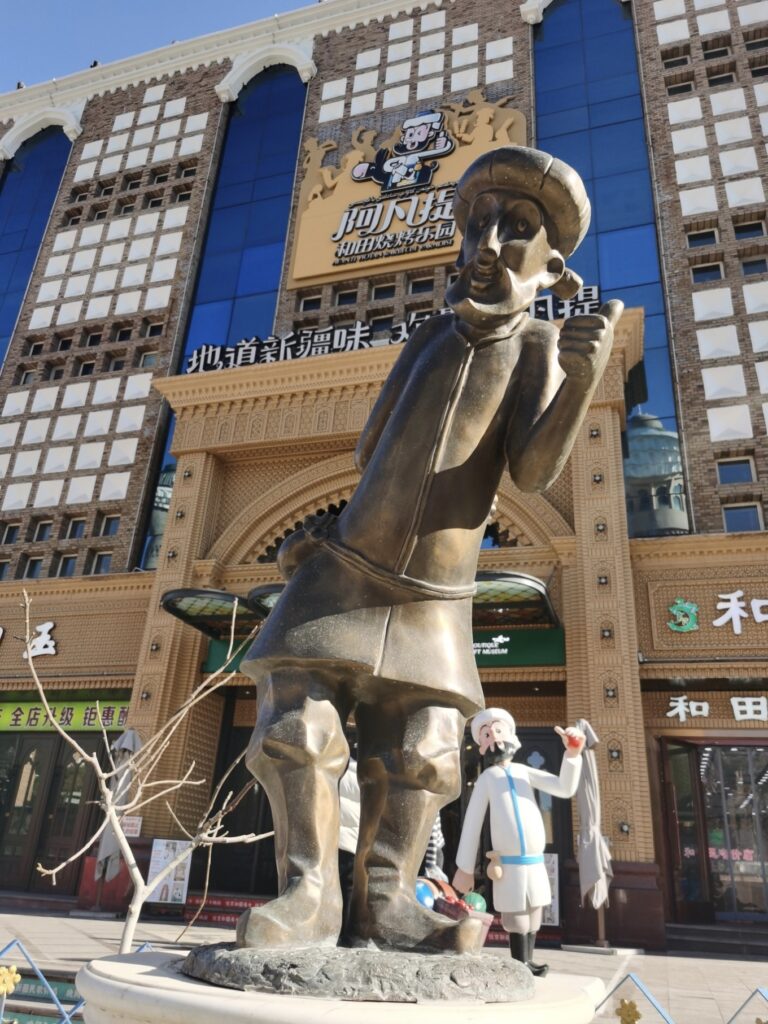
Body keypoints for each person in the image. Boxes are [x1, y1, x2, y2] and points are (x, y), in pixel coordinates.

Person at [236, 144, 620, 954]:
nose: (486, 246)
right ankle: (309, 892)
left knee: (425, 750)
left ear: (551, 270)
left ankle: (388, 900)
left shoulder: (538, 349)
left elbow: (532, 466)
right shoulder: (427, 337)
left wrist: (582, 381)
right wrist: (323, 532)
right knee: (296, 723)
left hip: (433, 597)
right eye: (477, 225)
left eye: (515, 230)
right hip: (341, 573)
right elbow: (374, 449)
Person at [452, 708, 585, 976]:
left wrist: (572, 756)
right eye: (487, 735)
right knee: (516, 917)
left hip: (535, 861)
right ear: (481, 747)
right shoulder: (486, 779)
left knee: (534, 910)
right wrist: (465, 867)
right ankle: (519, 962)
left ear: (513, 736)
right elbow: (472, 823)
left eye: (499, 731)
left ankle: (528, 960)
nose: (496, 739)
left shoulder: (525, 772)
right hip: (507, 864)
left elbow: (563, 787)